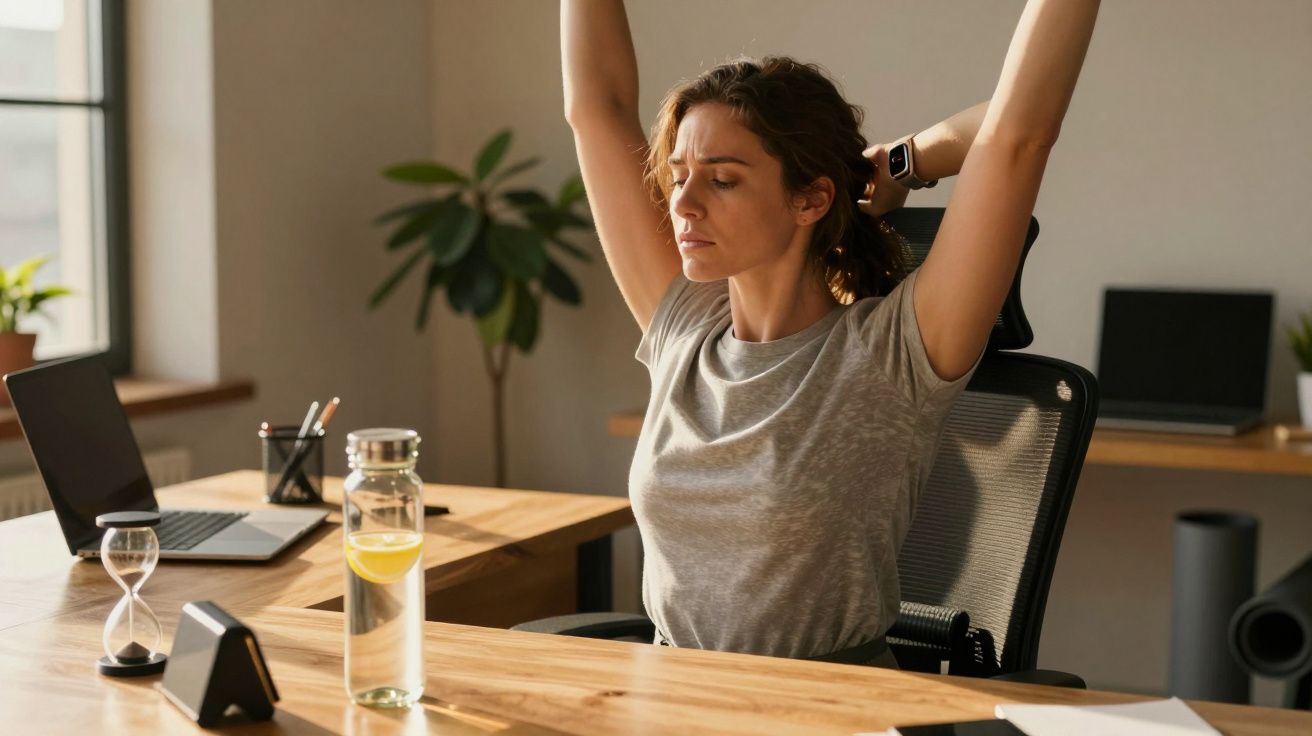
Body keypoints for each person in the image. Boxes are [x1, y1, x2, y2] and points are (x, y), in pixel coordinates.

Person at [561, 0, 1100, 667]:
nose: (683, 203)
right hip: (677, 699)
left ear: (810, 199)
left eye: (722, 179)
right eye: (678, 176)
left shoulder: (894, 354)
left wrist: (901, 161)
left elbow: (1018, 131)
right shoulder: (685, 329)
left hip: (828, 708)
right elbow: (596, 107)